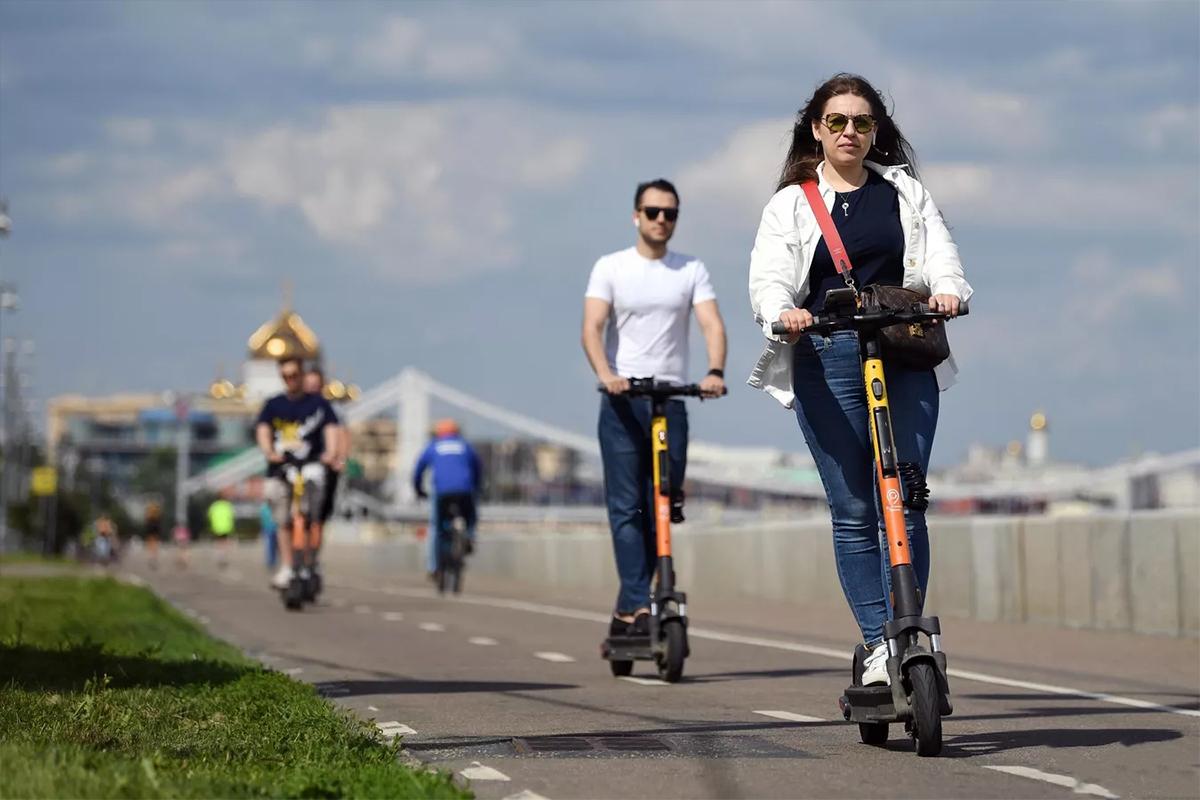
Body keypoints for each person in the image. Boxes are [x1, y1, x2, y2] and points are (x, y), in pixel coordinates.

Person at [747, 73, 972, 686]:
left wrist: (949, 291)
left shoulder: (904, 191)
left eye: (863, 122)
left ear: (878, 131)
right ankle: (878, 643)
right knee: (852, 508)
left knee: (904, 494)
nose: (850, 131)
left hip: (902, 347)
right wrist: (782, 311)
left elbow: (943, 254)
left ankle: (909, 624)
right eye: (837, 122)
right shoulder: (791, 202)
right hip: (828, 355)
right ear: (816, 130)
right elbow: (768, 278)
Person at [582, 178, 727, 641]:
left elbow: (711, 324)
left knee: (661, 503)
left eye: (670, 213)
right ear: (636, 215)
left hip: (670, 402)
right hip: (622, 403)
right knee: (626, 508)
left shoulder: (690, 269)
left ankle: (635, 606)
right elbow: (592, 327)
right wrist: (607, 373)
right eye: (653, 212)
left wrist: (715, 371)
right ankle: (634, 604)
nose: (661, 220)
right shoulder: (611, 267)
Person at [256, 356, 341, 589]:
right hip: (281, 467)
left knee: (312, 512)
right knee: (282, 519)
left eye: (294, 375)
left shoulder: (318, 405)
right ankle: (287, 565)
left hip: (311, 464)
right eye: (285, 376)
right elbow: (263, 429)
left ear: (301, 375)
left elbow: (332, 429)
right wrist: (269, 451)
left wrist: (331, 453)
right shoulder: (274, 405)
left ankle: (309, 561)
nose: (290, 380)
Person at [411, 419, 482, 580]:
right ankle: (470, 536)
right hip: (465, 490)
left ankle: (434, 567)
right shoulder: (465, 446)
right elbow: (478, 468)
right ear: (457, 432)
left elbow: (418, 470)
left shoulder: (433, 446)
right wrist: (476, 488)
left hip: (441, 491)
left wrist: (418, 489)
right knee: (471, 515)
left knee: (436, 528)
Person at [304, 367, 351, 533]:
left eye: (315, 384)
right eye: (308, 384)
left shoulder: (331, 409)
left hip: (325, 464)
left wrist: (340, 459)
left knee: (321, 510)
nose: (311, 388)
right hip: (302, 463)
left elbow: (343, 433)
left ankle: (313, 552)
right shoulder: (297, 407)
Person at [207, 496, 235, 568]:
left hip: (216, 527)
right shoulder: (227, 505)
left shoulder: (214, 506)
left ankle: (219, 556)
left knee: (218, 542)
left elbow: (209, 515)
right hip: (226, 527)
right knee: (225, 543)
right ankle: (224, 557)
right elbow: (231, 516)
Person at [143, 501, 162, 569]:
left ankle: (151, 557)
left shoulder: (148, 514)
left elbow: (146, 522)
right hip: (155, 529)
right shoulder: (157, 513)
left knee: (150, 544)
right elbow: (159, 522)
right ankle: (154, 557)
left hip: (150, 529)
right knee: (155, 545)